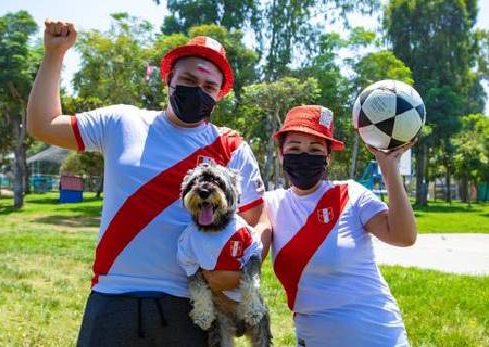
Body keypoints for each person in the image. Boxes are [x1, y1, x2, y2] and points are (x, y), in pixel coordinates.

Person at [26, 19, 266, 346]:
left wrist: (232, 282)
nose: (198, 90)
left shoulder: (231, 147)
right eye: (188, 80)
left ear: (218, 95)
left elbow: (253, 220)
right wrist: (55, 54)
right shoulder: (121, 121)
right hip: (113, 295)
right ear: (168, 80)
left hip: (190, 305)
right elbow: (43, 125)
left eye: (209, 86)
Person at [260, 105, 416, 347]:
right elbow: (246, 255)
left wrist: (389, 170)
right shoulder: (270, 204)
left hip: (378, 335)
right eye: (294, 148)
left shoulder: (350, 194)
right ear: (280, 154)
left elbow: (403, 236)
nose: (304, 156)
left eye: (314, 150)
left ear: (327, 158)